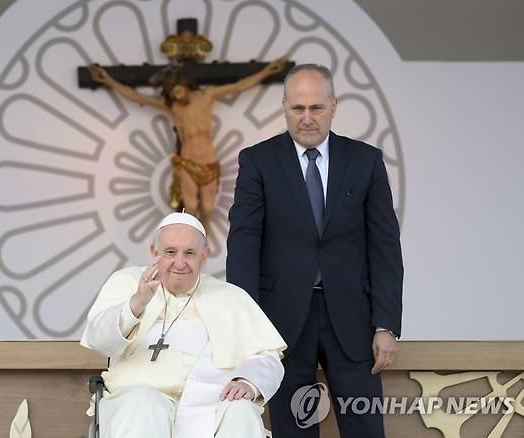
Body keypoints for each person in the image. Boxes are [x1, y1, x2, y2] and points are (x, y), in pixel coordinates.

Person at [226, 64, 404, 437]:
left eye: (317, 108)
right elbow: (243, 246)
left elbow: (384, 247)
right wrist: (248, 329)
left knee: (366, 429)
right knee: (294, 430)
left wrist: (386, 324)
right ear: (284, 107)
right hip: (282, 323)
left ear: (334, 106)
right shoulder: (257, 161)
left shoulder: (365, 161)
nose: (307, 118)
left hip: (354, 321)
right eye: (298, 108)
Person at [81, 212, 287, 438]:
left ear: (204, 256)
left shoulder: (231, 297)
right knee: (144, 402)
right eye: (170, 252)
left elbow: (267, 356)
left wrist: (248, 381)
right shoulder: (127, 283)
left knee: (241, 411)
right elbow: (99, 340)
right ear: (154, 252)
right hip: (135, 401)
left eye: (190, 253)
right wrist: (137, 303)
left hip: (211, 407)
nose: (180, 262)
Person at [89, 59, 286, 232]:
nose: (178, 97)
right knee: (190, 207)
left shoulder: (207, 96)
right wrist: (109, 80)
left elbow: (240, 86)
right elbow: (137, 97)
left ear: (186, 86)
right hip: (187, 163)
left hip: (209, 163)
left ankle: (203, 233)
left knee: (208, 209)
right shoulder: (173, 106)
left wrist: (267, 70)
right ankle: (191, 238)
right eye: (173, 94)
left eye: (179, 91)